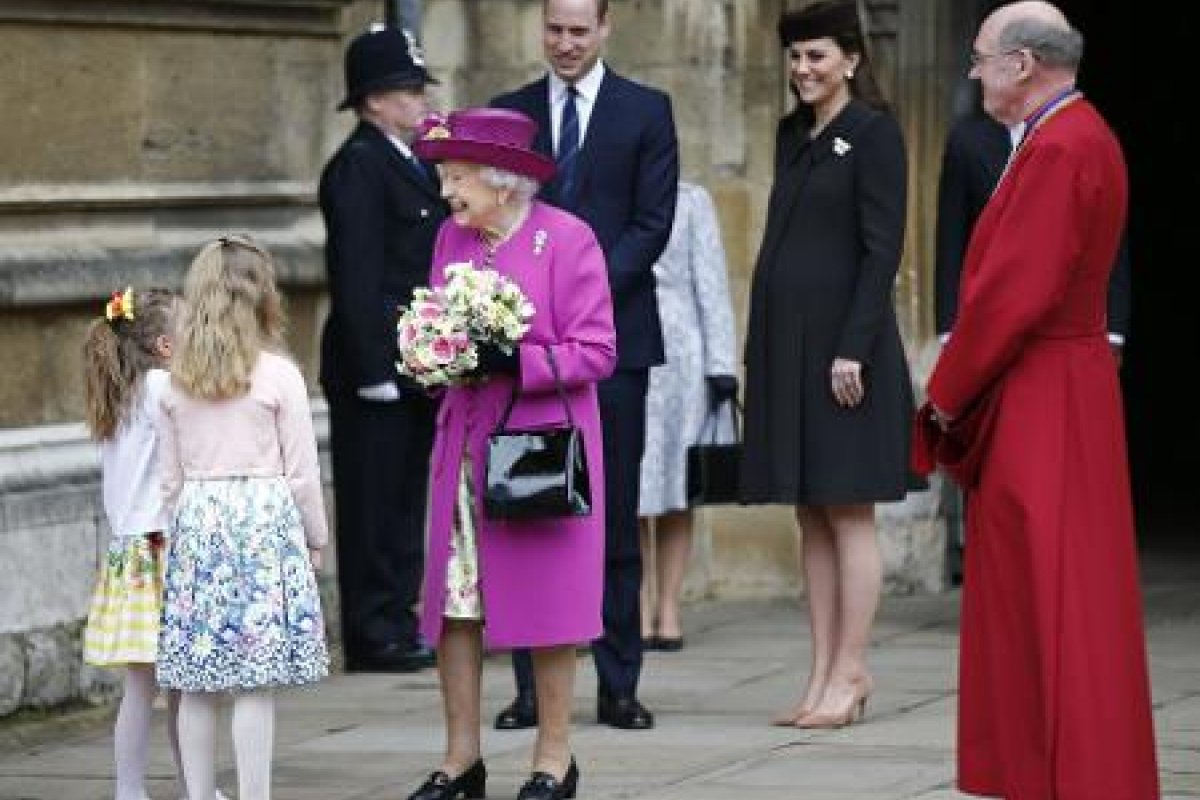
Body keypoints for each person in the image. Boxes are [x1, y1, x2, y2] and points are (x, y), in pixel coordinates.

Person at [916, 3, 1159, 797]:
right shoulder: (1073, 136)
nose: (975, 73)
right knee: (1064, 589)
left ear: (1023, 64)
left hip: (1043, 388)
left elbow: (1012, 295)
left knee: (1045, 588)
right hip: (1065, 381)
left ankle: (1058, 769)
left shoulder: (1060, 146)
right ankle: (1061, 765)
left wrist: (945, 394)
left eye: (981, 59)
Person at [404, 106, 616, 800]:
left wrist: (513, 358)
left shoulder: (567, 240)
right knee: (454, 606)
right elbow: (437, 319)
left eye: (457, 177)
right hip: (461, 445)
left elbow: (598, 351)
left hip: (536, 451)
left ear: (502, 182)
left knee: (549, 609)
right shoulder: (450, 239)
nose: (447, 193)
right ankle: (461, 758)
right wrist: (432, 355)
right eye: (444, 177)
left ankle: (553, 760)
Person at [491, 0, 679, 732]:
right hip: (523, 354)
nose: (565, 44)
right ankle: (531, 689)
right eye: (554, 30)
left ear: (604, 30)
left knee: (612, 516)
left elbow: (651, 224)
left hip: (615, 348)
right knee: (526, 509)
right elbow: (493, 220)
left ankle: (619, 683)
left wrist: (583, 295)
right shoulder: (512, 113)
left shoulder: (645, 111)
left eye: (579, 31)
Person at [740, 0, 915, 729]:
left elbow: (882, 250)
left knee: (848, 510)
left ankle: (852, 670)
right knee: (808, 510)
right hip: (788, 348)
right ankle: (819, 675)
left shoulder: (873, 135)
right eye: (795, 57)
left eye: (816, 56)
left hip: (848, 354)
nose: (803, 69)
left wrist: (853, 345)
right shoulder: (792, 135)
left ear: (851, 58)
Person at [156, 236, 330, 800]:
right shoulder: (279, 374)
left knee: (198, 682)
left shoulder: (175, 378)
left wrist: (174, 539)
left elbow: (170, 479)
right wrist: (316, 536)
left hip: (199, 521)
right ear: (264, 295)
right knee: (255, 681)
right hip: (262, 523)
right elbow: (303, 471)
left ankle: (199, 796)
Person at [318, 24, 447, 672]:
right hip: (375, 368)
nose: (419, 101)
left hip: (413, 362)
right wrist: (372, 366)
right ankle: (373, 632)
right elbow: (358, 274)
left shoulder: (410, 161)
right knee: (372, 503)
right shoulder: (359, 167)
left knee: (403, 500)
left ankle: (399, 617)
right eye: (406, 90)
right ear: (373, 100)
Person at [81, 287, 227, 800]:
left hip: (131, 554)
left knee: (144, 688)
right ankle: (192, 788)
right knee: (182, 687)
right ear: (166, 345)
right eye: (191, 328)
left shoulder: (124, 393)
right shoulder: (164, 387)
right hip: (162, 548)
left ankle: (134, 789)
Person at [637, 180, 738, 652]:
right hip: (625, 343)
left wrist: (722, 365)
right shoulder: (609, 187)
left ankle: (669, 607)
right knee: (632, 486)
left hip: (681, 351)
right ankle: (636, 604)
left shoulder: (691, 198)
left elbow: (712, 280)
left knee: (679, 485)